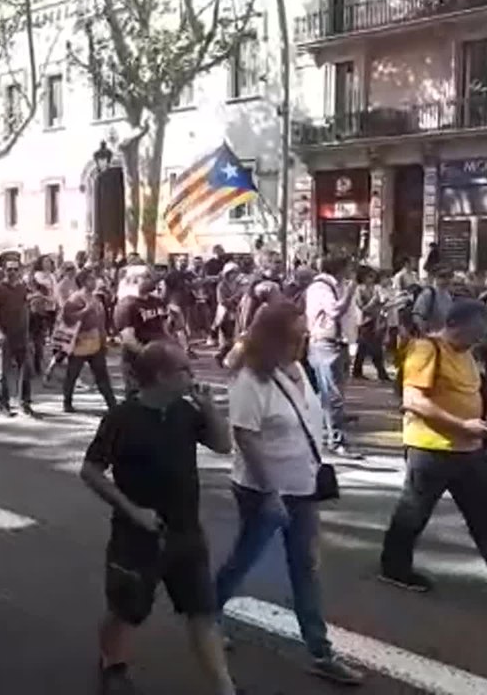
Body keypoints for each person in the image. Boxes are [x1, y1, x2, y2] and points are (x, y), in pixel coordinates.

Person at [214, 301, 364, 686]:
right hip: (264, 490)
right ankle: (207, 616)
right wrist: (270, 491)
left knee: (305, 567)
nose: (305, 340)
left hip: (303, 486)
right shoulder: (252, 378)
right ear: (275, 336)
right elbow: (244, 435)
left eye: (305, 334)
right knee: (244, 559)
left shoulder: (296, 369)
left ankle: (319, 651)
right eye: (296, 334)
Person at [79, 341, 237, 695]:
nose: (192, 376)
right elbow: (90, 470)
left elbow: (224, 445)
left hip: (186, 532)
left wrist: (210, 410)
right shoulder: (122, 418)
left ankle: (224, 687)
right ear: (163, 376)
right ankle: (111, 663)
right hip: (136, 538)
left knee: (202, 611)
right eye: (185, 370)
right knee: (126, 612)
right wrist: (133, 512)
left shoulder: (185, 411)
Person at [379, 299, 487, 598]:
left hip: (470, 449)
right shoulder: (426, 349)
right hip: (431, 449)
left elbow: (471, 393)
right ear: (459, 324)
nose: (483, 337)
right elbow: (414, 400)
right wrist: (462, 426)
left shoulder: (468, 356)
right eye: (480, 330)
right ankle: (394, 568)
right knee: (413, 513)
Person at [304, 255, 359, 459]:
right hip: (325, 345)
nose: (350, 272)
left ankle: (326, 433)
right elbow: (335, 311)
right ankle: (336, 441)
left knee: (332, 394)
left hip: (339, 343)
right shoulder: (321, 287)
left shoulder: (337, 285)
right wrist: (351, 290)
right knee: (332, 395)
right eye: (348, 267)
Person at [0, 253, 35, 418]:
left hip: (21, 335)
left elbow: (26, 307)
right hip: (4, 336)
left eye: (15, 269)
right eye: (9, 269)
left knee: (26, 369)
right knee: (2, 373)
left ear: (20, 270)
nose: (12, 272)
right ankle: (4, 406)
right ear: (3, 270)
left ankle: (24, 403)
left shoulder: (22, 287)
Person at [62, 270, 117, 412]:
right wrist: (85, 311)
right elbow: (68, 318)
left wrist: (104, 339)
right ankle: (67, 402)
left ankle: (112, 404)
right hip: (80, 342)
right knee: (72, 375)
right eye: (91, 279)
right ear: (84, 281)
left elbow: (101, 321)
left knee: (102, 375)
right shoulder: (75, 299)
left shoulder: (95, 298)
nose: (94, 282)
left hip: (95, 341)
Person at [113, 265, 171, 396]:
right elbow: (128, 339)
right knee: (138, 398)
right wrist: (147, 355)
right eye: (147, 277)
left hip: (159, 359)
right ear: (134, 280)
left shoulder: (157, 302)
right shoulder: (127, 305)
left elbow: (164, 329)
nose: (153, 279)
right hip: (137, 361)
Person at [412, 266, 454, 337]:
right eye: (442, 276)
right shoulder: (429, 294)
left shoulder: (449, 295)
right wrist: (425, 335)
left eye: (449, 276)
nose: (446, 280)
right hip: (429, 340)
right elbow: (417, 316)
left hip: (443, 340)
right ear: (435, 277)